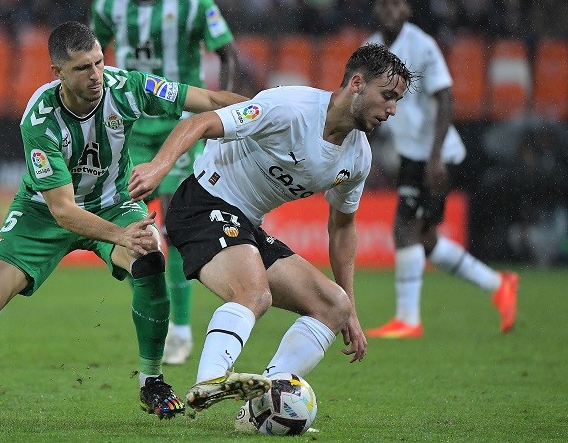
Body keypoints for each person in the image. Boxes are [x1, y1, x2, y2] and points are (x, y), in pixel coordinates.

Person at [0, 21, 250, 422]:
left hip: (112, 203)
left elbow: (206, 98)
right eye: (83, 68)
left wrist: (274, 109)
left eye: (100, 62)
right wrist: (122, 235)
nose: (97, 75)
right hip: (41, 214)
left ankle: (151, 380)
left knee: (150, 257)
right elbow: (62, 210)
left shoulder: (127, 87)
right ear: (58, 73)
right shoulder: (41, 119)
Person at [128, 43, 413, 413]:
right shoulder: (289, 107)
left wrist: (353, 310)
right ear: (357, 83)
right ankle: (210, 380)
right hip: (203, 202)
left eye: (397, 101)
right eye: (387, 96)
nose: (392, 110)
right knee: (253, 293)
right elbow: (198, 122)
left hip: (247, 225)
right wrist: (159, 167)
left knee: (333, 305)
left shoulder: (358, 157)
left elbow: (342, 228)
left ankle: (266, 402)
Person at [90, 0, 239, 366]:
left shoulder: (193, 1)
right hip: (129, 128)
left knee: (173, 223)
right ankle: (149, 300)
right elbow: (88, 52)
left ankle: (179, 329)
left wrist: (220, 118)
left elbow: (227, 53)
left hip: (179, 127)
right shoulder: (108, 3)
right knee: (127, 223)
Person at [364, 0, 518, 339]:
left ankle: (408, 318)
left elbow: (445, 98)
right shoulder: (370, 49)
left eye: (395, 3)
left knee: (405, 229)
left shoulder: (422, 46)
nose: (389, 9)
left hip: (434, 153)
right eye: (382, 3)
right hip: (410, 152)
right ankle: (499, 283)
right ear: (376, 9)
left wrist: (435, 158)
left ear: (406, 9)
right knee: (427, 240)